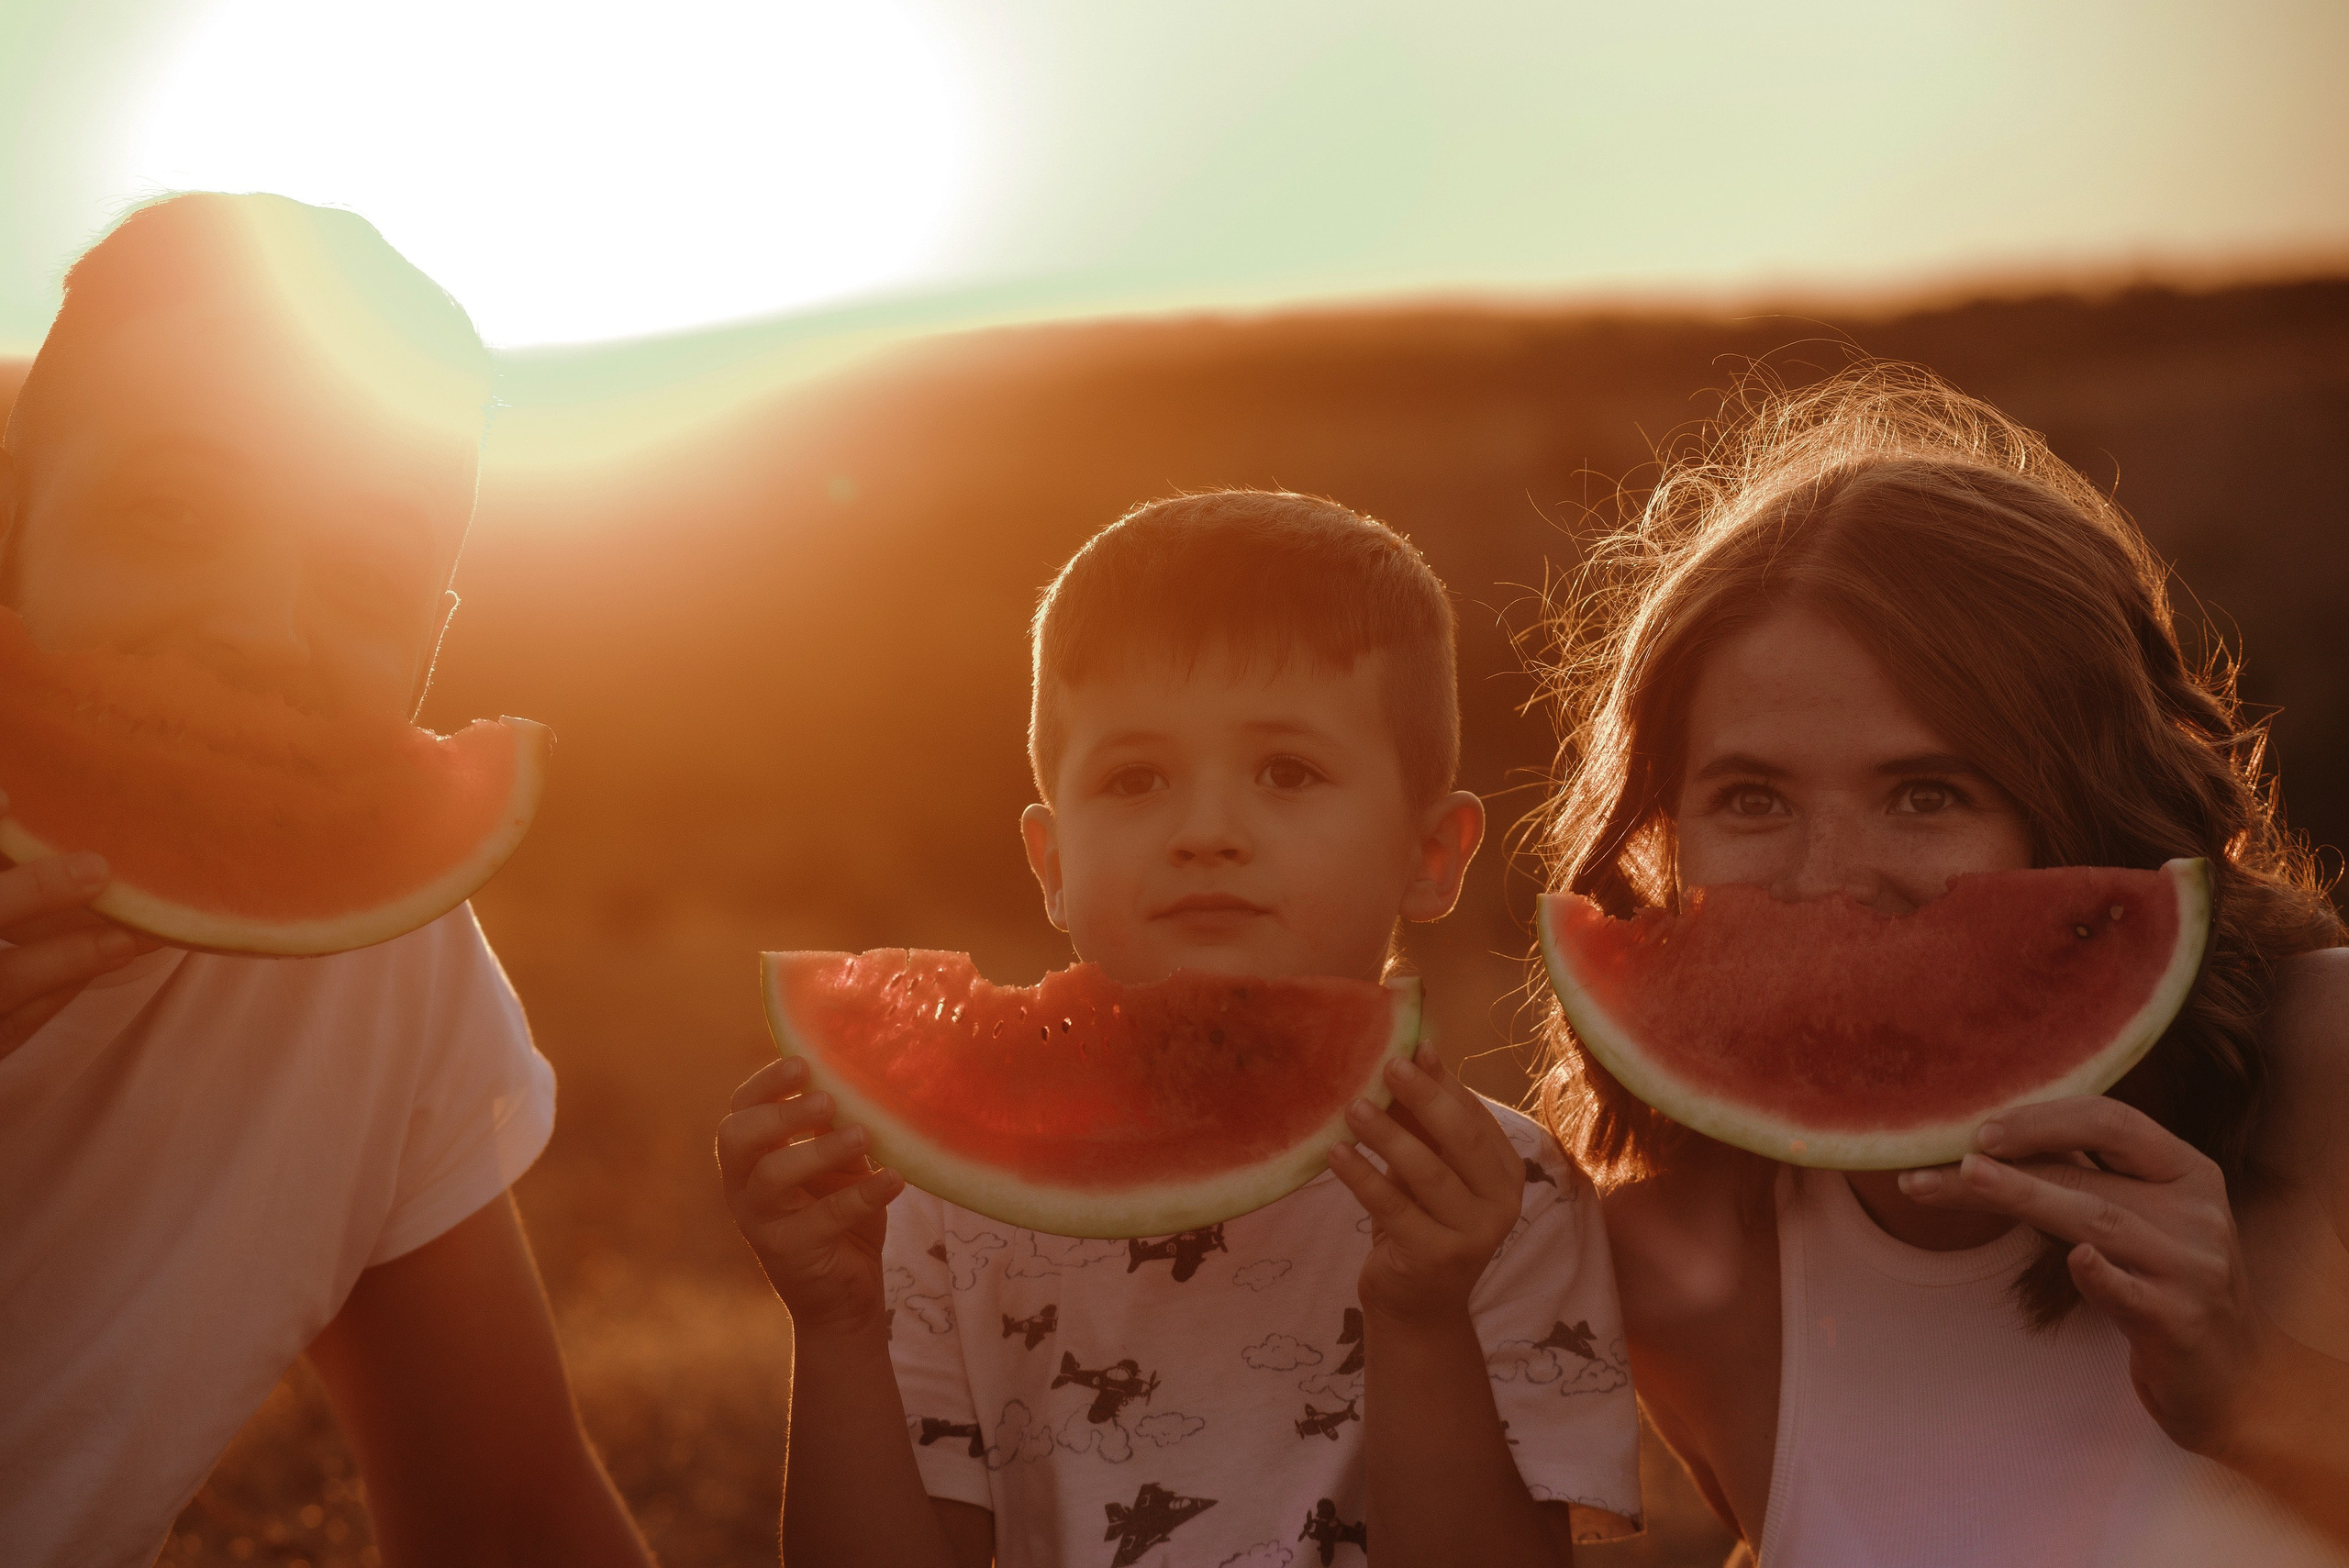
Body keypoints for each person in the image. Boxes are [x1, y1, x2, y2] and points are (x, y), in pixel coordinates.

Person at [720, 491, 1642, 1566]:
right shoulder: (941, 1209)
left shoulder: (1502, 1196)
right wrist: (834, 1329)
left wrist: (1424, 1314)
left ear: (1431, 852)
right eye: (1135, 777)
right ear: (1051, 864)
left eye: (1286, 772)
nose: (1206, 832)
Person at [1531, 364, 2349, 1565]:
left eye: (1927, 793)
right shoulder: (1684, 1264)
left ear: (2079, 805)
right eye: (1751, 796)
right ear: (1664, 838)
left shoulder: (2323, 1062)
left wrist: (2247, 1385)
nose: (1829, 877)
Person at [0, 194, 653, 1567]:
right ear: (13, 515)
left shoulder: (380, 963)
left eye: (364, 575)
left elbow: (512, 1520)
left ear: (429, 644)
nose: (256, 623)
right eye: (169, 513)